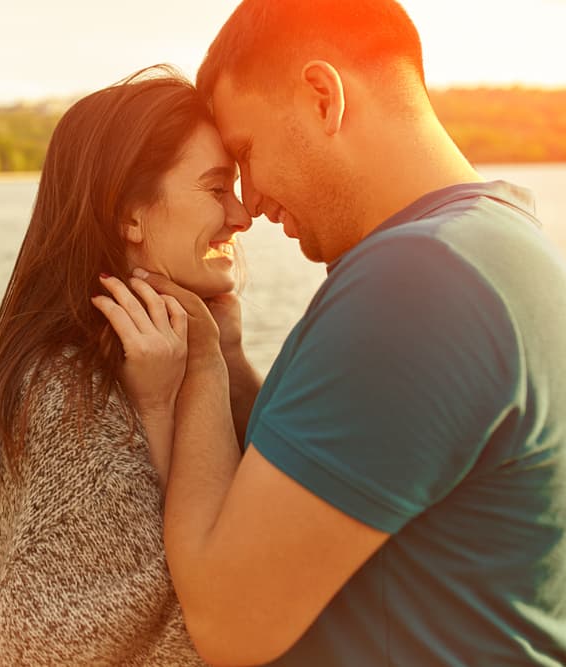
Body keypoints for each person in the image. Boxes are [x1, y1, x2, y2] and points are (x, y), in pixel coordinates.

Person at [97, 1, 566, 665]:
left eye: (245, 153)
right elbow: (333, 472)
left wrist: (199, 359)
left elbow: (230, 624)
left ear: (322, 96)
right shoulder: (500, 244)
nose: (249, 201)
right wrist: (231, 358)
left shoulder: (420, 282)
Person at [0, 65, 251, 665]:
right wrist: (158, 408)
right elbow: (44, 644)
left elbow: (248, 514)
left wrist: (222, 355)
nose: (242, 216)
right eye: (216, 188)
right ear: (130, 214)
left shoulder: (175, 344)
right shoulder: (63, 388)